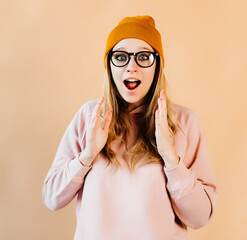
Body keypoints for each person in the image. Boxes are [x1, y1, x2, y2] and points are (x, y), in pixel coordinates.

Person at [42, 15, 218, 240]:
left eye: (143, 56)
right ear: (109, 65)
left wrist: (171, 159)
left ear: (157, 65)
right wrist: (86, 157)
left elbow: (200, 217)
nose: (131, 67)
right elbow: (52, 198)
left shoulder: (183, 122)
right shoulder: (89, 118)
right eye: (121, 56)